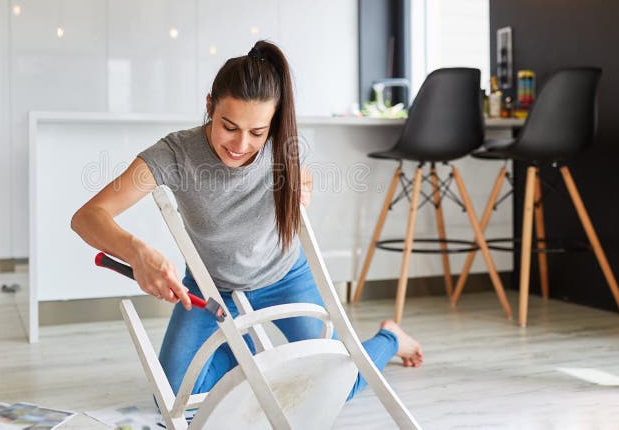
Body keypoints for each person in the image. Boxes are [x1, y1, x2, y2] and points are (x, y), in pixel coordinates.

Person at [71, 40, 423, 401]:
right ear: (209, 105)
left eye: (257, 132)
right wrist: (136, 251)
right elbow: (87, 217)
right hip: (211, 288)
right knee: (174, 395)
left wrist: (305, 182)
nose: (241, 144)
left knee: (338, 387)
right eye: (229, 126)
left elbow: (302, 177)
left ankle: (390, 337)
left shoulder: (280, 143)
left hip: (285, 276)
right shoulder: (174, 153)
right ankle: (252, 353)